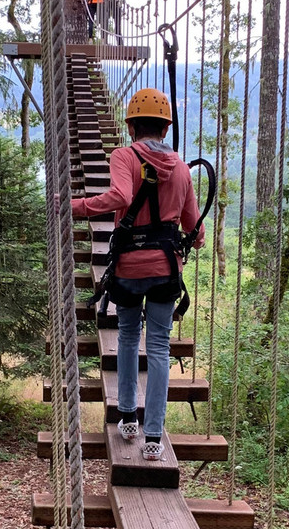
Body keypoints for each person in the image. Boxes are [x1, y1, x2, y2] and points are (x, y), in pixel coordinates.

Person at [70, 89, 204, 461]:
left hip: (129, 267)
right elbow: (196, 230)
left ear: (130, 126)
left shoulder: (124, 156)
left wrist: (73, 207)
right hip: (165, 269)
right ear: (164, 128)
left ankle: (128, 417)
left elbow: (118, 197)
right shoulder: (180, 167)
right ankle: (154, 436)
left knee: (128, 336)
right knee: (159, 348)